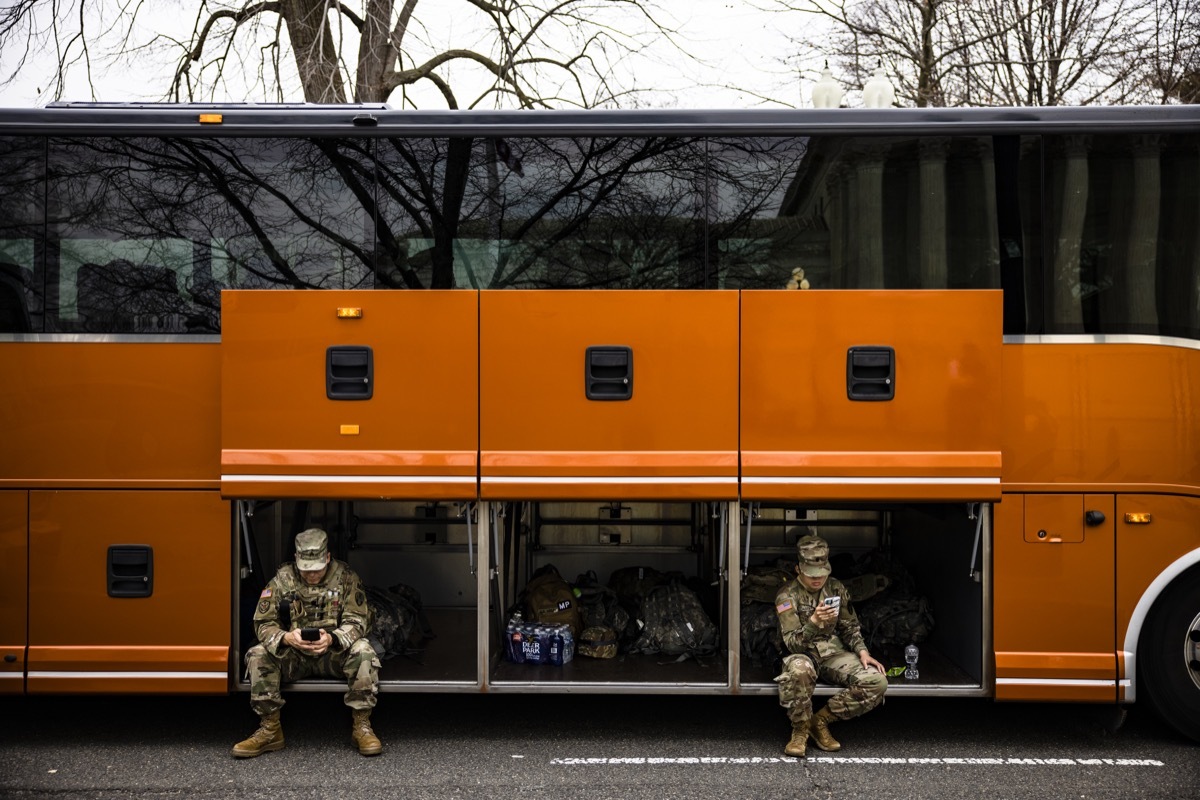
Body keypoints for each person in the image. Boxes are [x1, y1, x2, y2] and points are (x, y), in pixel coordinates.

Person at [232, 528, 382, 758]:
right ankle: (270, 729)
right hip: (295, 655)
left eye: (317, 570)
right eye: (306, 570)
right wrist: (286, 637)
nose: (312, 576)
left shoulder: (346, 577)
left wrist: (332, 638)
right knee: (257, 654)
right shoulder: (283, 579)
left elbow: (358, 620)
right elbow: (263, 623)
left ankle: (361, 726)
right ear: (296, 560)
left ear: (328, 558)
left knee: (364, 651)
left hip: (333, 653)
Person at [774, 534, 888, 757]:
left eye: (822, 574)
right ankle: (800, 731)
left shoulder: (835, 588)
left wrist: (862, 651)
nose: (817, 580)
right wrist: (814, 622)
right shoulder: (786, 596)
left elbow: (849, 626)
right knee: (799, 670)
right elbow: (792, 645)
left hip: (832, 653)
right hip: (802, 653)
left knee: (876, 681)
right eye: (811, 575)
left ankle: (820, 721)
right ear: (798, 569)